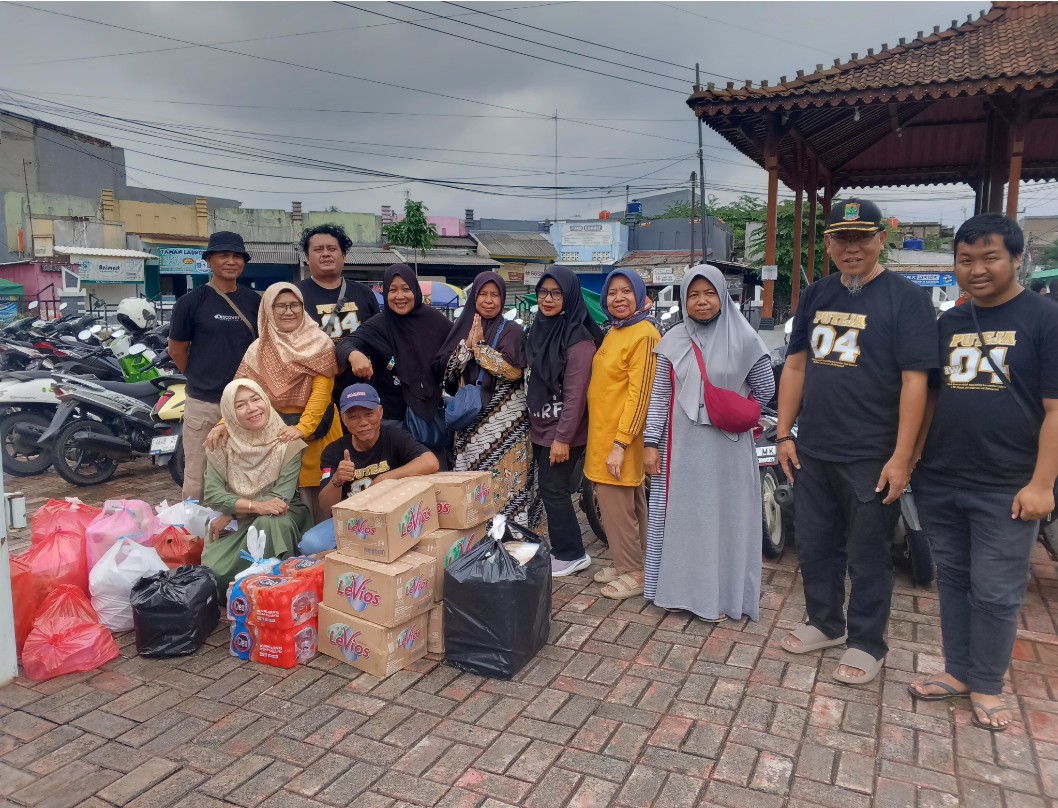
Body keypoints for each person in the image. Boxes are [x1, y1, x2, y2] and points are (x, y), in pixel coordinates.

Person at [777, 198, 939, 685]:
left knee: (868, 555)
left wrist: (903, 457)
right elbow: (796, 366)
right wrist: (784, 433)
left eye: (862, 238)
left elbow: (916, 382)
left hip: (872, 454)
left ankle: (868, 642)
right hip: (813, 448)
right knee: (815, 545)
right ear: (828, 244)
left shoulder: (906, 298)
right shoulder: (816, 294)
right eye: (841, 239)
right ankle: (825, 622)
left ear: (880, 240)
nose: (852, 249)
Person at [909, 214, 1058, 731]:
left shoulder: (1045, 319)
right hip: (942, 477)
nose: (976, 269)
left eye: (990, 257)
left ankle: (988, 684)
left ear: (1016, 258)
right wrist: (911, 460)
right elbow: (930, 399)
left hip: (1008, 486)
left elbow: (1056, 410)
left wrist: (1042, 484)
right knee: (954, 579)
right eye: (965, 259)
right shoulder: (949, 323)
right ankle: (957, 671)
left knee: (996, 591)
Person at [643, 265, 774, 622]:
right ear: (684, 300)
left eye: (710, 293)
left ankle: (718, 597)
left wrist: (735, 412)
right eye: (693, 295)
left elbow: (766, 388)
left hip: (726, 449)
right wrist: (650, 443)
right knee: (683, 520)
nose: (702, 301)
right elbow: (660, 396)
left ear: (723, 296)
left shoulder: (745, 338)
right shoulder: (673, 339)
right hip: (680, 449)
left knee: (723, 520)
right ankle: (675, 592)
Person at [206, 283, 342, 522]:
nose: (288, 311)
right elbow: (240, 392)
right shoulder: (258, 350)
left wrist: (302, 428)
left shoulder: (320, 343)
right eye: (280, 306)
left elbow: (321, 392)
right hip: (276, 438)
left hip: (317, 431)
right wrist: (223, 423)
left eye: (294, 305)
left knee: (320, 498)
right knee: (285, 498)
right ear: (268, 310)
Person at [436, 271, 541, 528]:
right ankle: (480, 539)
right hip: (471, 428)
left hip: (508, 428)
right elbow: (448, 375)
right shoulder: (463, 329)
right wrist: (465, 347)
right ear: (474, 297)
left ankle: (513, 539)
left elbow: (513, 371)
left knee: (509, 488)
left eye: (495, 295)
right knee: (477, 489)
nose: (489, 300)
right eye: (483, 294)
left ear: (502, 299)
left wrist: (480, 349)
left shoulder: (512, 331)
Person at [585, 268, 661, 600]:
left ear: (640, 295)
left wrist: (620, 443)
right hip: (605, 435)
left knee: (618, 506)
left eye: (626, 291)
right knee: (628, 503)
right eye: (613, 292)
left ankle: (635, 572)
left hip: (621, 437)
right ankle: (630, 563)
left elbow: (640, 395)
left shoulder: (644, 334)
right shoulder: (617, 330)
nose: (619, 298)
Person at [168, 231, 261, 501]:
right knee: (198, 475)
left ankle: (237, 523)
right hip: (204, 404)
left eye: (237, 256)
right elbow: (176, 350)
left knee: (245, 472)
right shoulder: (190, 302)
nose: (231, 261)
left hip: (245, 404)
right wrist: (200, 377)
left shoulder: (255, 302)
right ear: (209, 259)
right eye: (223, 255)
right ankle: (195, 524)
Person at [201, 379, 312, 595]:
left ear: (266, 401)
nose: (252, 408)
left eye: (255, 399)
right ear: (229, 412)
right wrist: (246, 510)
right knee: (216, 573)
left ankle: (280, 589)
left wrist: (234, 511)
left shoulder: (287, 441)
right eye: (240, 405)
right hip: (238, 519)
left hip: (283, 512)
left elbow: (282, 496)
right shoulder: (220, 444)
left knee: (271, 521)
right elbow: (213, 494)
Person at [299, 383, 440, 554]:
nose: (363, 422)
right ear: (343, 419)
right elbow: (326, 507)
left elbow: (430, 462)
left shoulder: (394, 436)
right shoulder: (333, 451)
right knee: (310, 543)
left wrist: (385, 478)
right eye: (354, 417)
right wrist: (337, 481)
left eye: (369, 414)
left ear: (380, 412)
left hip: (393, 514)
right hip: (353, 520)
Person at [525, 267, 602, 576]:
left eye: (556, 293)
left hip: (563, 431)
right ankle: (564, 549)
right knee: (549, 489)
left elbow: (575, 396)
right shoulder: (540, 328)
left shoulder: (578, 338)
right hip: (542, 426)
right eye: (543, 292)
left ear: (569, 296)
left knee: (554, 490)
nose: (548, 299)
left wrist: (563, 438)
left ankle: (571, 553)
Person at [336, 265, 452, 429]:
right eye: (393, 290)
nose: (400, 296)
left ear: (415, 290)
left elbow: (457, 342)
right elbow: (346, 343)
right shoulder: (378, 325)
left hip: (429, 415)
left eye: (406, 289)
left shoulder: (433, 320)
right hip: (390, 417)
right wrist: (353, 354)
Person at [297, 223, 381, 340]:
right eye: (318, 249)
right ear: (307, 258)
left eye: (332, 249)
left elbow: (378, 336)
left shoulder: (364, 293)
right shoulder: (295, 295)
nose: (326, 254)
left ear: (343, 256)